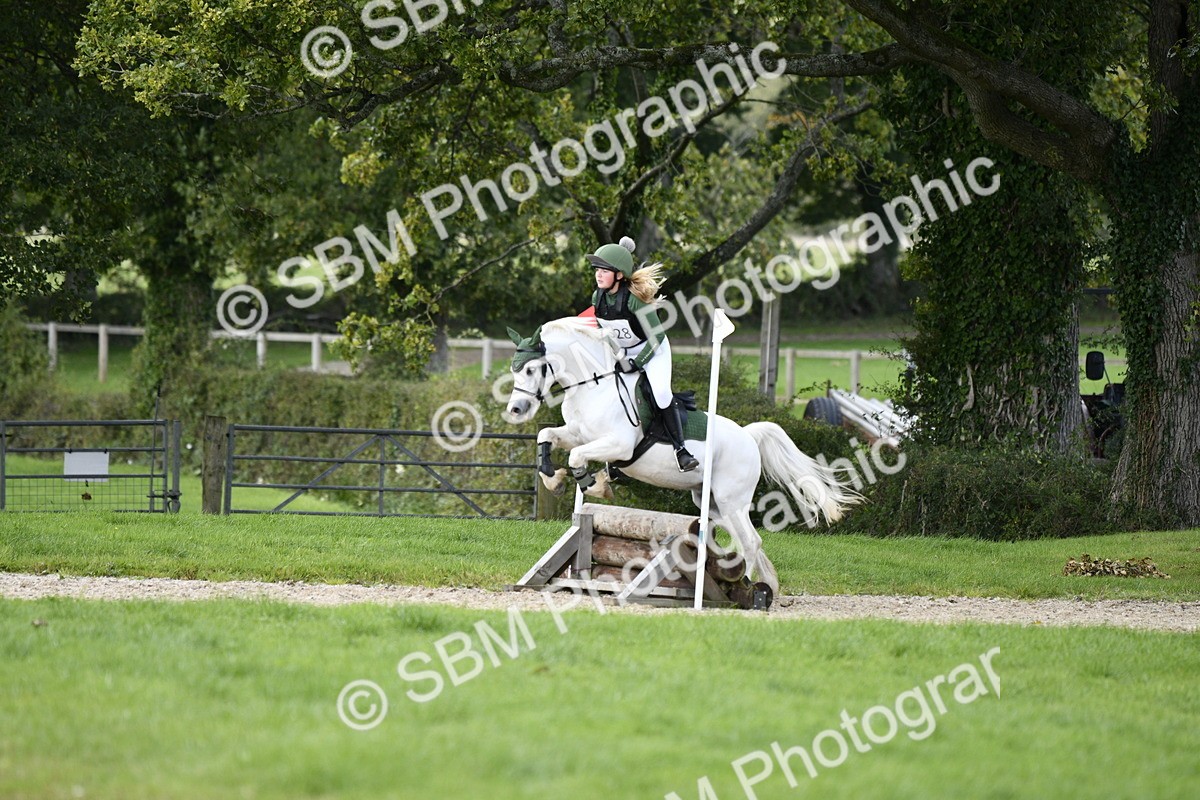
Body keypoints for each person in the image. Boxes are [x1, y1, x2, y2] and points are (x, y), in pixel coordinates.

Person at [586, 237, 700, 472]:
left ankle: (681, 450)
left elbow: (656, 337)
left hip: (654, 350)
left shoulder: (634, 300)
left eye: (604, 270)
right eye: (597, 269)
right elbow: (601, 329)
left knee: (660, 393)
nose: (598, 275)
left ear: (619, 275)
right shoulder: (598, 298)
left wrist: (637, 363)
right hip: (624, 351)